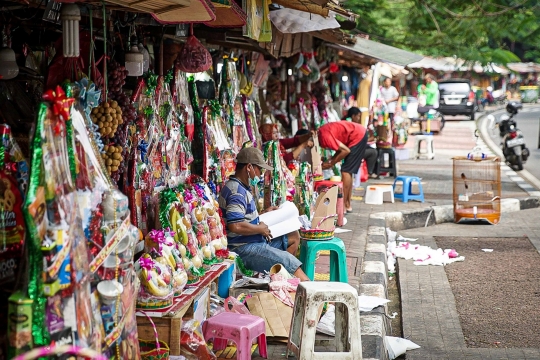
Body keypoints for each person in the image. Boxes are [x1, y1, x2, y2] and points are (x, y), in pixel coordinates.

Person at [218, 147, 310, 281]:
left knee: (293, 236)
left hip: (254, 240)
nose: (260, 174)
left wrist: (263, 214)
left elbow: (240, 216)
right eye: (259, 169)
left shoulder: (239, 187)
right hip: (243, 248)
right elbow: (235, 225)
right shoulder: (236, 191)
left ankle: (279, 278)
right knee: (289, 262)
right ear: (249, 167)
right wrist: (260, 229)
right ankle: (307, 286)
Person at [317, 120, 368, 213]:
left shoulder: (324, 136)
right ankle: (347, 204)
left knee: (345, 171)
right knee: (348, 170)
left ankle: (343, 206)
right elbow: (340, 149)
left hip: (357, 135)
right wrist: (332, 160)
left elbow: (345, 151)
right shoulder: (323, 133)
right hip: (359, 133)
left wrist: (331, 163)